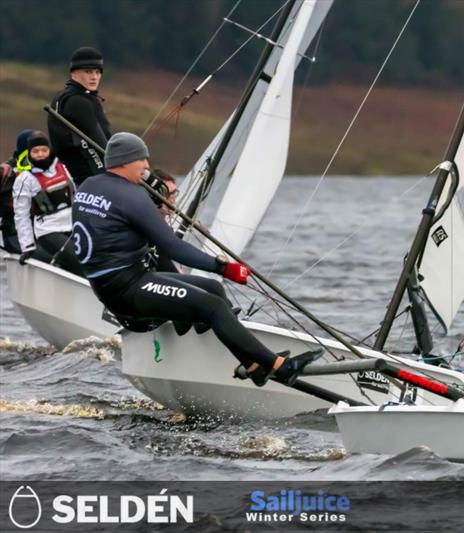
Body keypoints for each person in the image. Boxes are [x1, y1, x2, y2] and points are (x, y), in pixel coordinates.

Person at [72, 132, 318, 387]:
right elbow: (173, 247)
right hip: (126, 290)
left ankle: (253, 363)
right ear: (124, 161)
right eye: (142, 160)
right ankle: (279, 367)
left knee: (213, 288)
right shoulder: (131, 197)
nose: (146, 167)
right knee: (213, 306)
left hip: (118, 281)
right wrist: (223, 267)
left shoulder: (90, 185)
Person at [12, 131, 83, 275]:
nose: (40, 154)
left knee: (96, 256)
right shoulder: (24, 179)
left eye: (44, 150)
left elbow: (81, 194)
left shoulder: (65, 168)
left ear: (50, 150)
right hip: (48, 230)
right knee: (79, 261)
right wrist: (28, 246)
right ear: (29, 154)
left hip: (73, 224)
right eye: (35, 151)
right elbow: (21, 215)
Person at [48, 47, 111, 185]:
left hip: (80, 178)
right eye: (88, 71)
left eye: (97, 72)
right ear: (73, 73)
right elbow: (103, 144)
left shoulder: (65, 97)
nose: (94, 77)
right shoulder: (78, 101)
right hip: (92, 178)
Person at [0, 130, 34, 253]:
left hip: (43, 229)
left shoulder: (47, 168)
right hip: (14, 233)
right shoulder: (5, 172)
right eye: (35, 150)